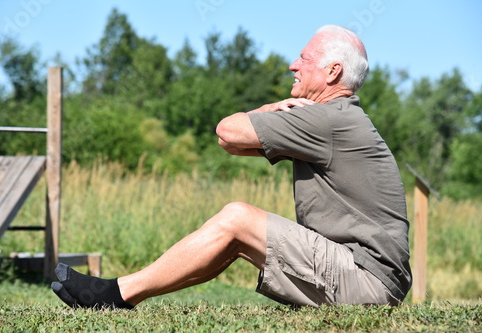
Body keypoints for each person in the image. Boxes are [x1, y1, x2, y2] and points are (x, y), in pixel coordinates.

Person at [51, 24, 412, 309]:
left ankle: (116, 294)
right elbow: (230, 144)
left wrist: (270, 108)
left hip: (366, 282)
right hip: (368, 279)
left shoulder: (329, 119)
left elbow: (227, 128)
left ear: (333, 71)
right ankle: (122, 293)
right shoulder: (336, 120)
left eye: (304, 58)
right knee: (237, 232)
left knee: (238, 218)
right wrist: (271, 114)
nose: (293, 65)